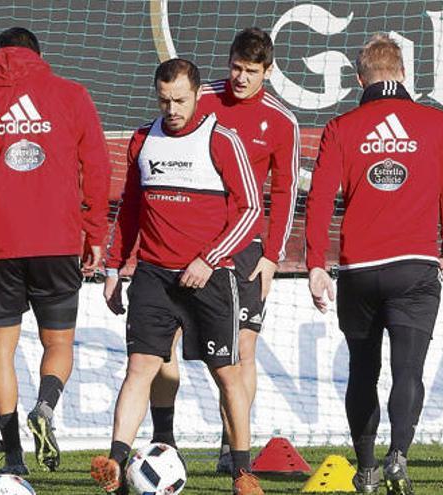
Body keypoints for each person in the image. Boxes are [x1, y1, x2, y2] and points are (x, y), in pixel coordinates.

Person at [89, 58, 263, 495]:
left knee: (227, 374)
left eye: (180, 100)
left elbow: (251, 211)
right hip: (152, 276)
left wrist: (210, 258)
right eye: (164, 100)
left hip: (210, 278)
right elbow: (129, 211)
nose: (172, 109)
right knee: (140, 368)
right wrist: (114, 269)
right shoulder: (143, 140)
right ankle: (115, 464)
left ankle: (242, 470)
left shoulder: (221, 140)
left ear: (198, 94)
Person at [305, 34, 443, 495]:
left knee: (362, 369)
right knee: (408, 370)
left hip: (359, 270)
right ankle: (399, 456)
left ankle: (368, 468)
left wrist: (316, 263)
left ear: (359, 78)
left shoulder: (341, 128)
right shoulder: (435, 123)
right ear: (403, 74)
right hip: (414, 268)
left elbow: (318, 202)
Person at [0, 27, 111, 475]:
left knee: (2, 347)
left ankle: (14, 457)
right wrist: (95, 233)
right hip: (58, 242)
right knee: (58, 342)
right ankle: (45, 405)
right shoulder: (71, 95)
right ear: (39, 56)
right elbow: (96, 167)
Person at [145, 27, 300, 475]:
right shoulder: (200, 97)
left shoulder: (282, 120)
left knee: (240, 353)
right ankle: (164, 441)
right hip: (183, 245)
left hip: (246, 249)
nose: (240, 79)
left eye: (251, 72)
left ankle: (232, 449)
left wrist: (273, 255)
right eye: (235, 68)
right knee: (163, 347)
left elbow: (285, 192)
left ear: (267, 72)